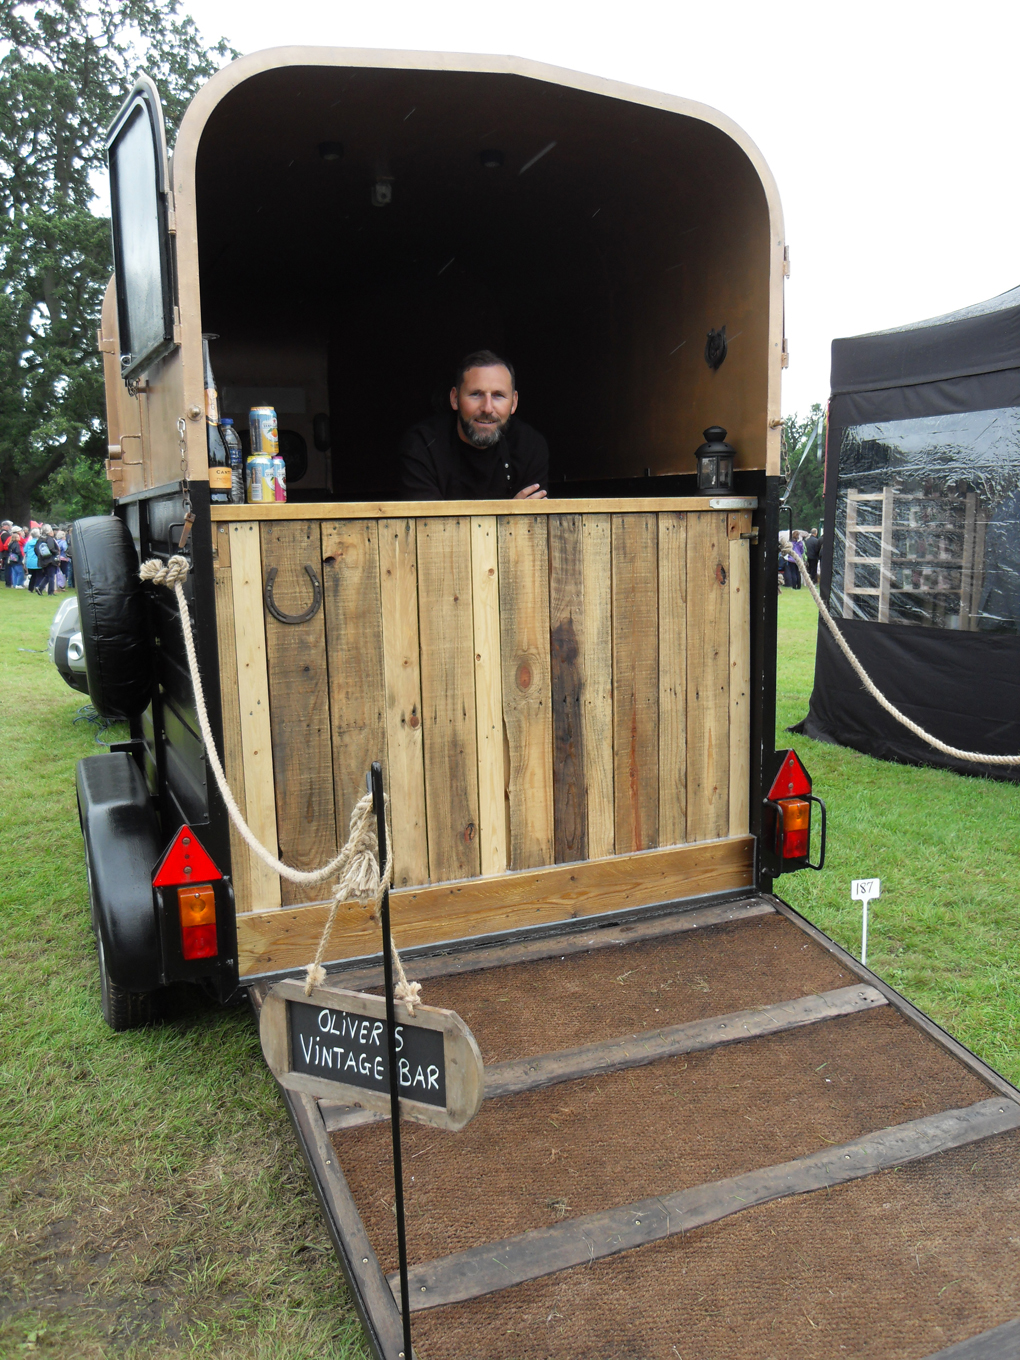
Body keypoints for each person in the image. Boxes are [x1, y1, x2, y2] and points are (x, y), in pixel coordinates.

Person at [399, 350, 549, 500]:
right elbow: (428, 523)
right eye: (476, 394)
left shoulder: (530, 446)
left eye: (498, 396)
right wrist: (510, 517)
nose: (487, 408)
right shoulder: (423, 445)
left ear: (514, 402)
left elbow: (534, 521)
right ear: (455, 398)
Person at [33, 524, 59, 595]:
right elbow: (51, 548)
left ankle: (40, 588)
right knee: (51, 576)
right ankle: (51, 592)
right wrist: (57, 552)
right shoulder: (49, 539)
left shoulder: (40, 539)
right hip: (50, 560)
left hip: (43, 560)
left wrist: (40, 556)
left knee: (47, 575)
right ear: (49, 531)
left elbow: (36, 549)